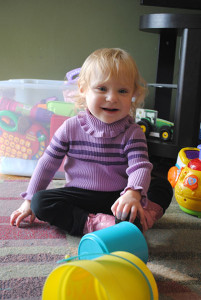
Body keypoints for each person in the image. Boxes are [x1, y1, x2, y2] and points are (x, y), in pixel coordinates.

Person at [10, 48, 173, 235]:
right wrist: (29, 201)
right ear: (83, 89)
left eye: (122, 91)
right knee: (42, 202)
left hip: (119, 197)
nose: (112, 98)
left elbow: (140, 167)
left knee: (162, 186)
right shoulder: (70, 127)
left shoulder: (133, 132)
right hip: (79, 195)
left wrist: (132, 194)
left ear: (133, 94)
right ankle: (96, 225)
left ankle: (143, 217)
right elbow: (47, 164)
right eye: (102, 89)